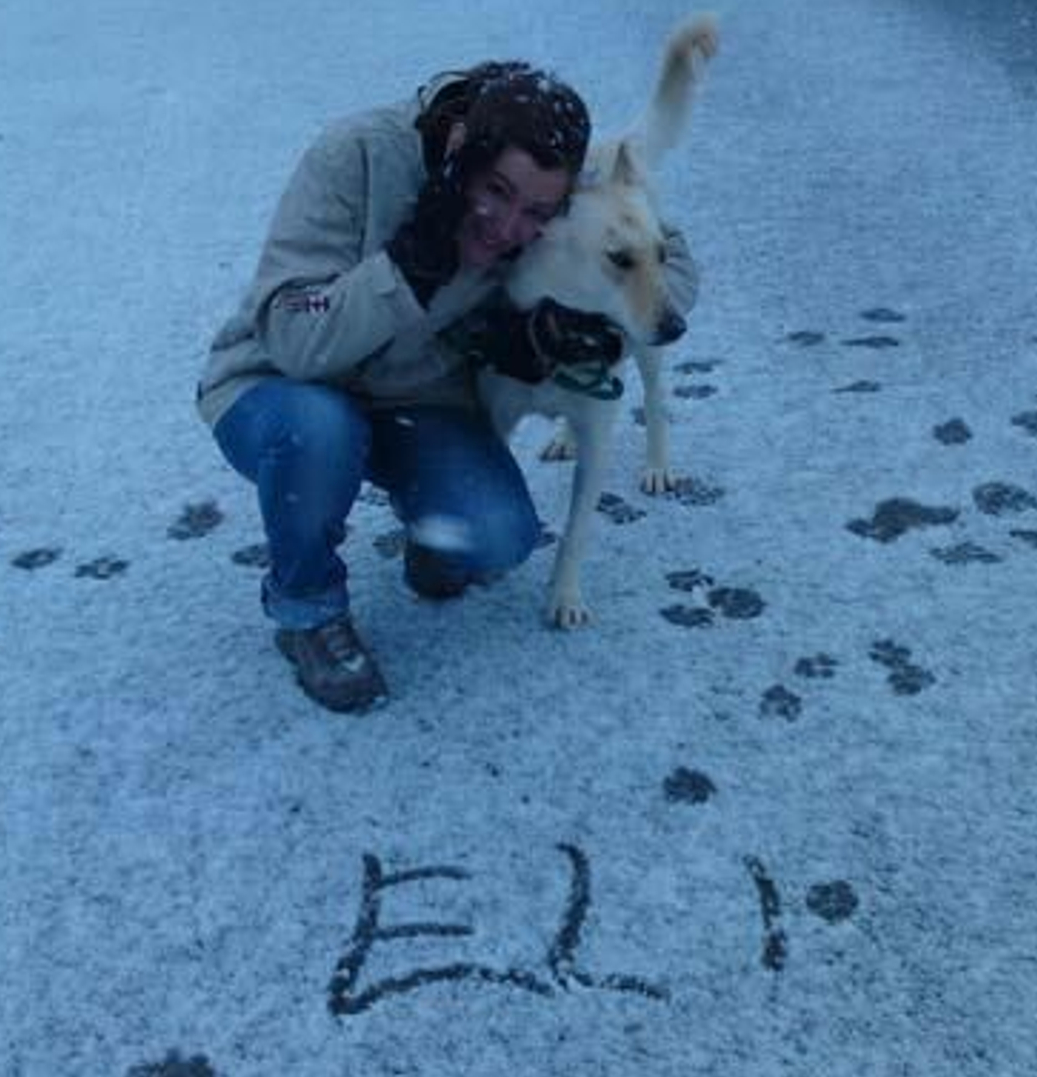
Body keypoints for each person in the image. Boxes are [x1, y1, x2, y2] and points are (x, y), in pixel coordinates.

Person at [196, 59, 699, 714]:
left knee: (497, 533)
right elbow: (294, 339)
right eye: (495, 190)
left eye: (537, 212)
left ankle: (432, 532)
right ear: (461, 147)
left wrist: (604, 337)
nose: (508, 226)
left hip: (415, 402)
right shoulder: (356, 155)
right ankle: (308, 611)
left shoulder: (562, 184)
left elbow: (673, 258)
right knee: (320, 431)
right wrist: (408, 267)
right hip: (277, 390)